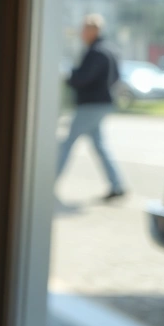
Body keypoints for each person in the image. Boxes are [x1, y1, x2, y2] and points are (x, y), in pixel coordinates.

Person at [56, 14, 125, 200]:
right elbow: (117, 77)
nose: (81, 33)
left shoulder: (96, 52)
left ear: (94, 30)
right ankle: (117, 185)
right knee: (100, 146)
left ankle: (47, 181)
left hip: (91, 104)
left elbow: (82, 78)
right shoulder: (109, 50)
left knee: (66, 143)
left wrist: (69, 76)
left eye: (84, 29)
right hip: (102, 103)